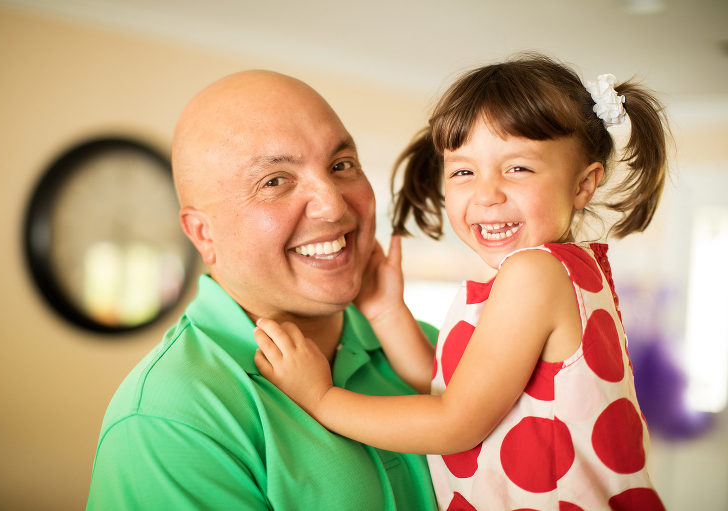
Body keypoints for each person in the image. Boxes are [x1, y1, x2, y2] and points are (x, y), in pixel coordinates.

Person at [254, 54, 669, 510]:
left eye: (518, 168)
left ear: (582, 185)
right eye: (464, 172)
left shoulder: (536, 274)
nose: (486, 194)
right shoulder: (554, 273)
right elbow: (450, 389)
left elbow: (455, 422)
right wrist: (386, 311)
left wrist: (320, 397)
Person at [86, 70, 439, 510]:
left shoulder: (433, 349)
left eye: (341, 165)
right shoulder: (171, 418)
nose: (333, 205)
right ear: (203, 234)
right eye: (275, 181)